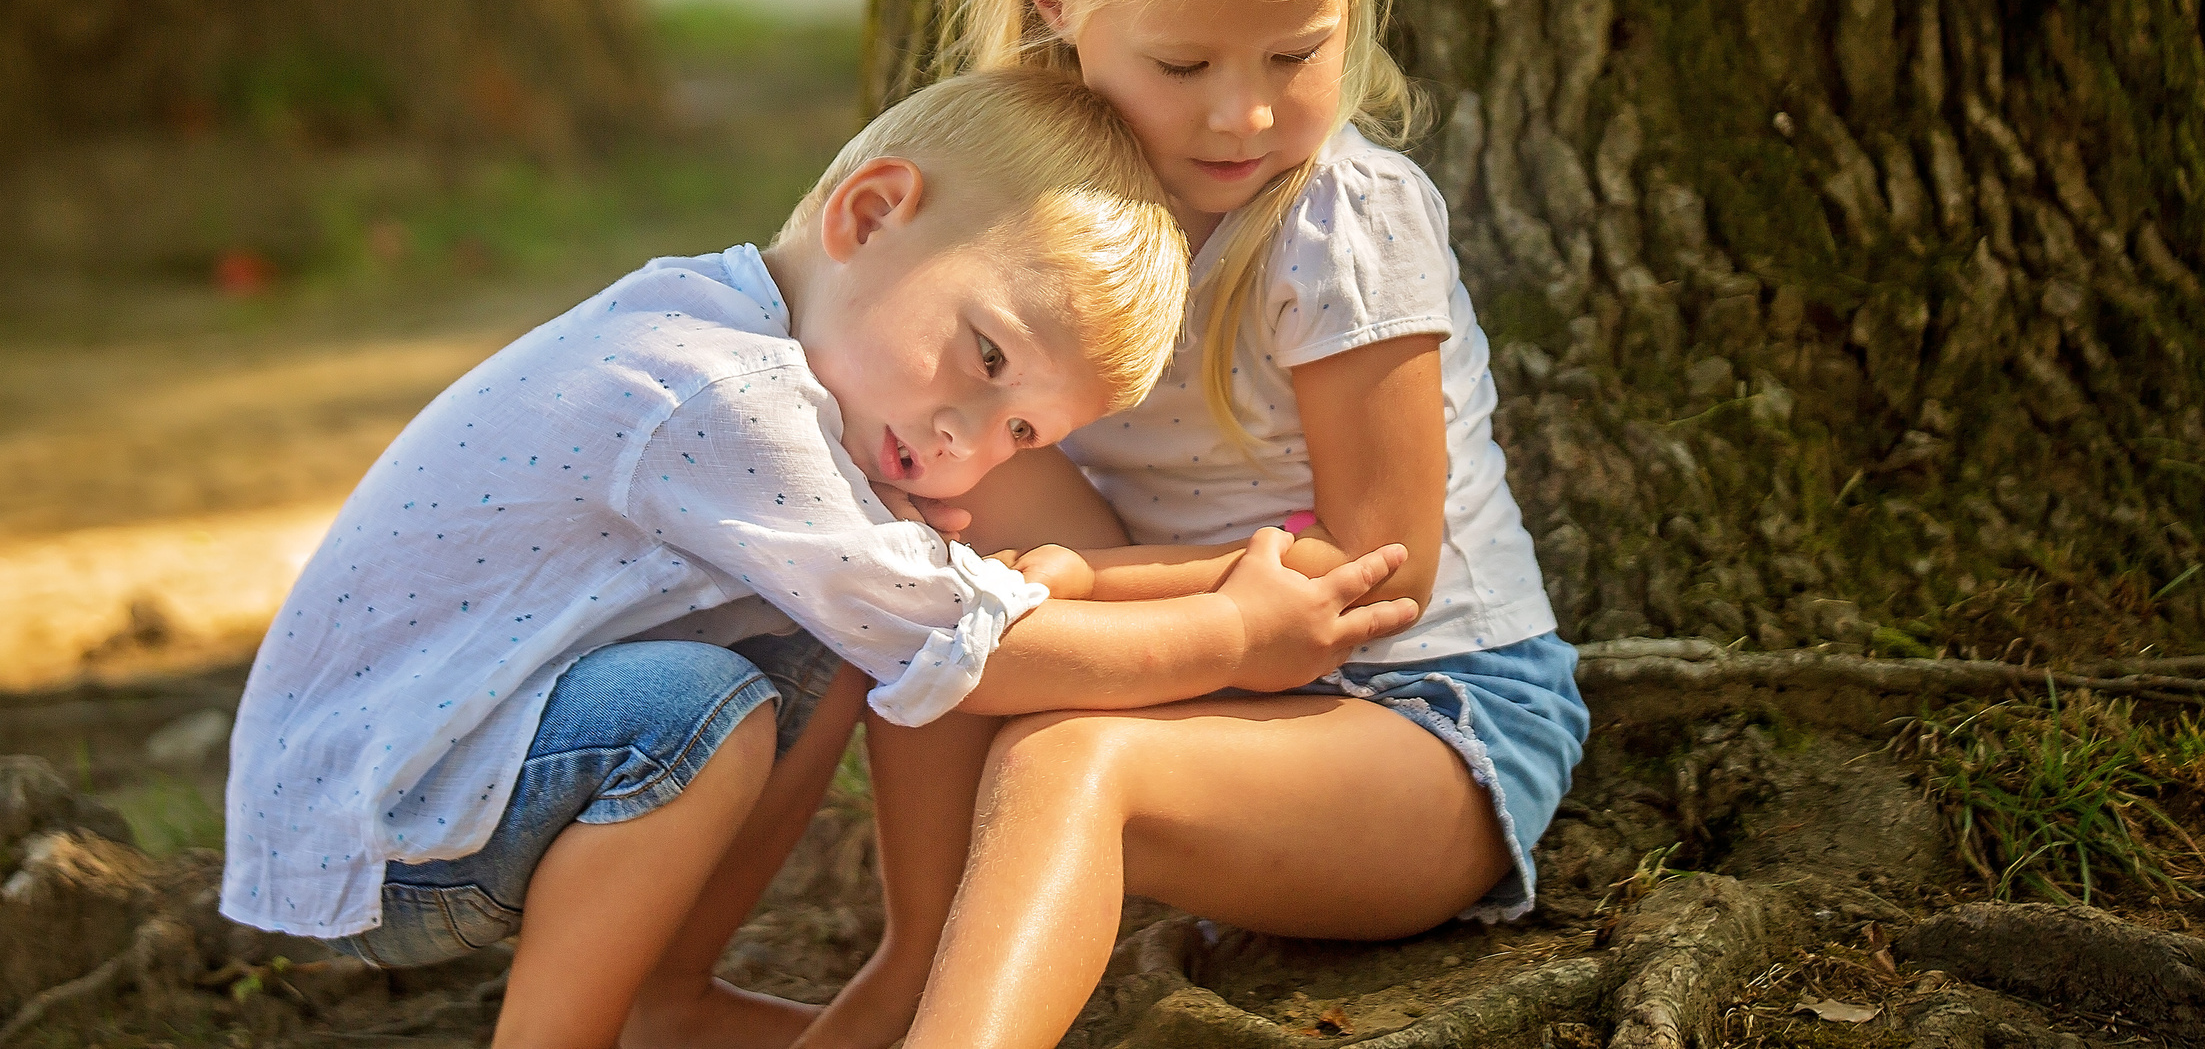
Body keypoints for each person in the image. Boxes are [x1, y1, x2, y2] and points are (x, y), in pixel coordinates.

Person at [218, 66, 1420, 1049]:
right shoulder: (723, 395)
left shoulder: (757, 351)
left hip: (437, 774)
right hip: (377, 821)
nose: (963, 447)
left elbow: (963, 604)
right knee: (694, 711)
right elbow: (960, 651)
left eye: (1019, 435)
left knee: (804, 650)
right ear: (869, 214)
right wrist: (1228, 637)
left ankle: (667, 1009)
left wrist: (1223, 572)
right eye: (985, 359)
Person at [805, 0, 1590, 1049]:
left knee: (1064, 752)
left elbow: (1379, 573)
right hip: (1199, 659)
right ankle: (913, 969)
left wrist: (1075, 593)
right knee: (934, 542)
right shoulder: (1020, 211)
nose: (1245, 114)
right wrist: (1000, 590)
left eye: (1297, 51)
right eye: (1182, 64)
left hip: (1417, 716)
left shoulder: (1339, 221)